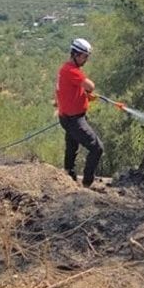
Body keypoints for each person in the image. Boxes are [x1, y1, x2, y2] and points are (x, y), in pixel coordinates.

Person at [56, 38, 104, 186]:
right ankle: (87, 183)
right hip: (74, 119)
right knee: (97, 148)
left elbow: (70, 91)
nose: (86, 60)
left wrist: (85, 97)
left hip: (68, 117)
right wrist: (88, 91)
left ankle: (68, 176)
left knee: (72, 147)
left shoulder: (65, 69)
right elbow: (90, 85)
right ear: (76, 54)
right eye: (84, 56)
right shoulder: (72, 71)